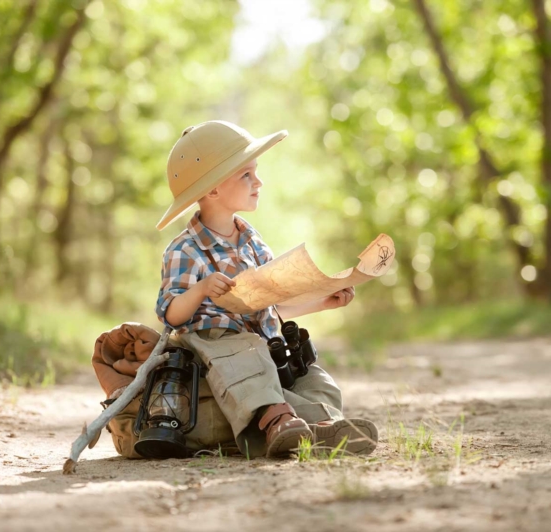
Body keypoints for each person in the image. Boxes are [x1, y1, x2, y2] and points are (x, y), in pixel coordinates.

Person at [109, 120, 378, 459]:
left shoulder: (252, 242)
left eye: (256, 173)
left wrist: (323, 302)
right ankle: (277, 420)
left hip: (261, 351)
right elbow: (171, 315)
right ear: (212, 190)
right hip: (215, 349)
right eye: (246, 175)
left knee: (313, 379)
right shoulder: (184, 250)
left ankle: (319, 426)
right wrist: (202, 289)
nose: (258, 182)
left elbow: (268, 306)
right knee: (247, 353)